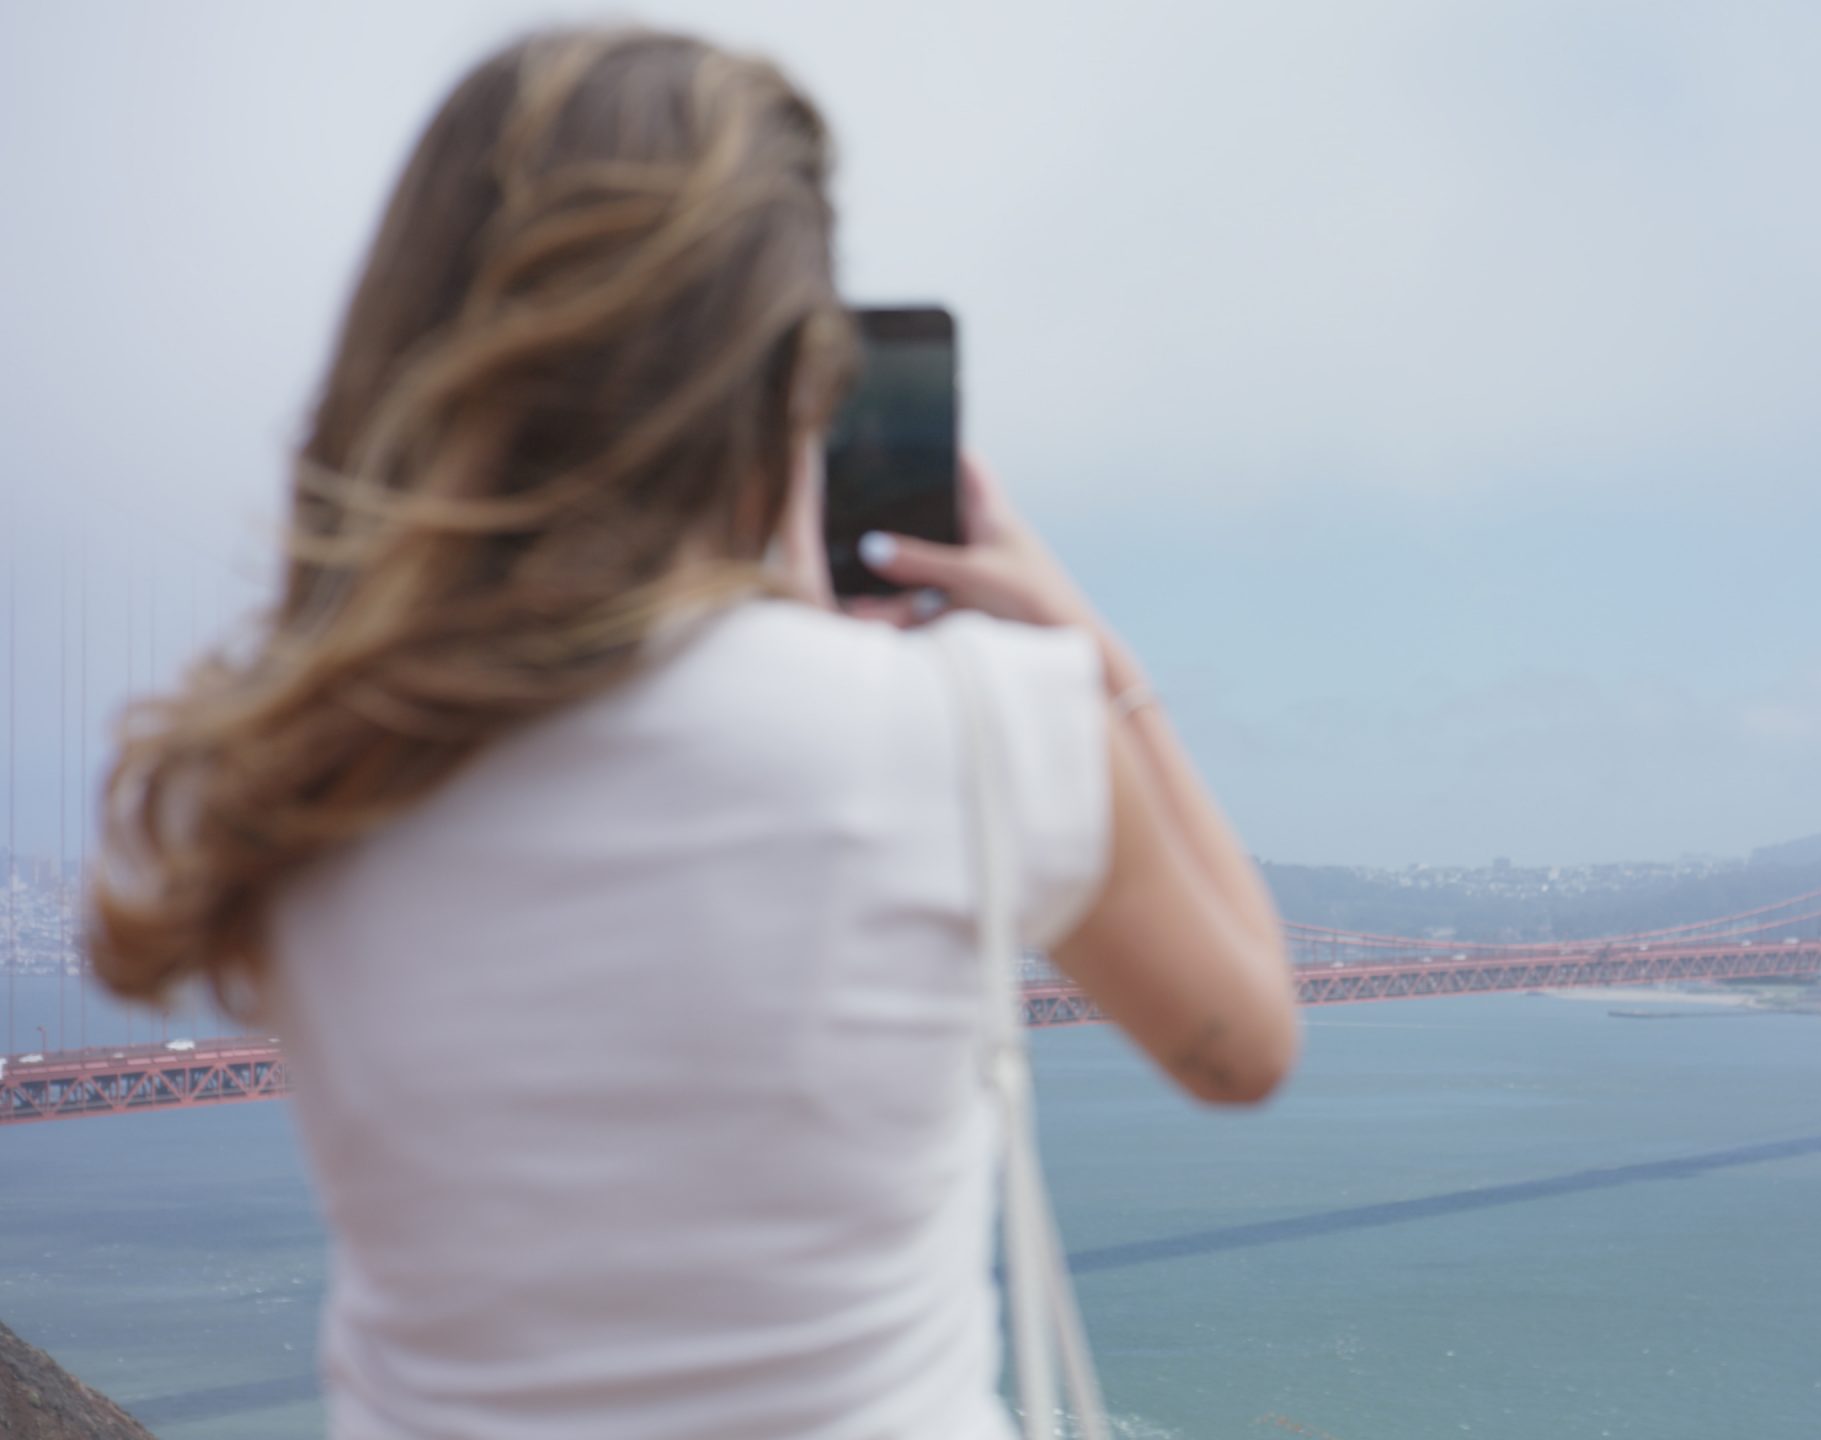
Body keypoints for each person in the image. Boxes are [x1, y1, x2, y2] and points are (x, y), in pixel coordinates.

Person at [86, 26, 1298, 1440]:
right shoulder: (976, 728)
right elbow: (1246, 1046)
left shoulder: (288, 770)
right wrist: (1090, 653)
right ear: (795, 379)